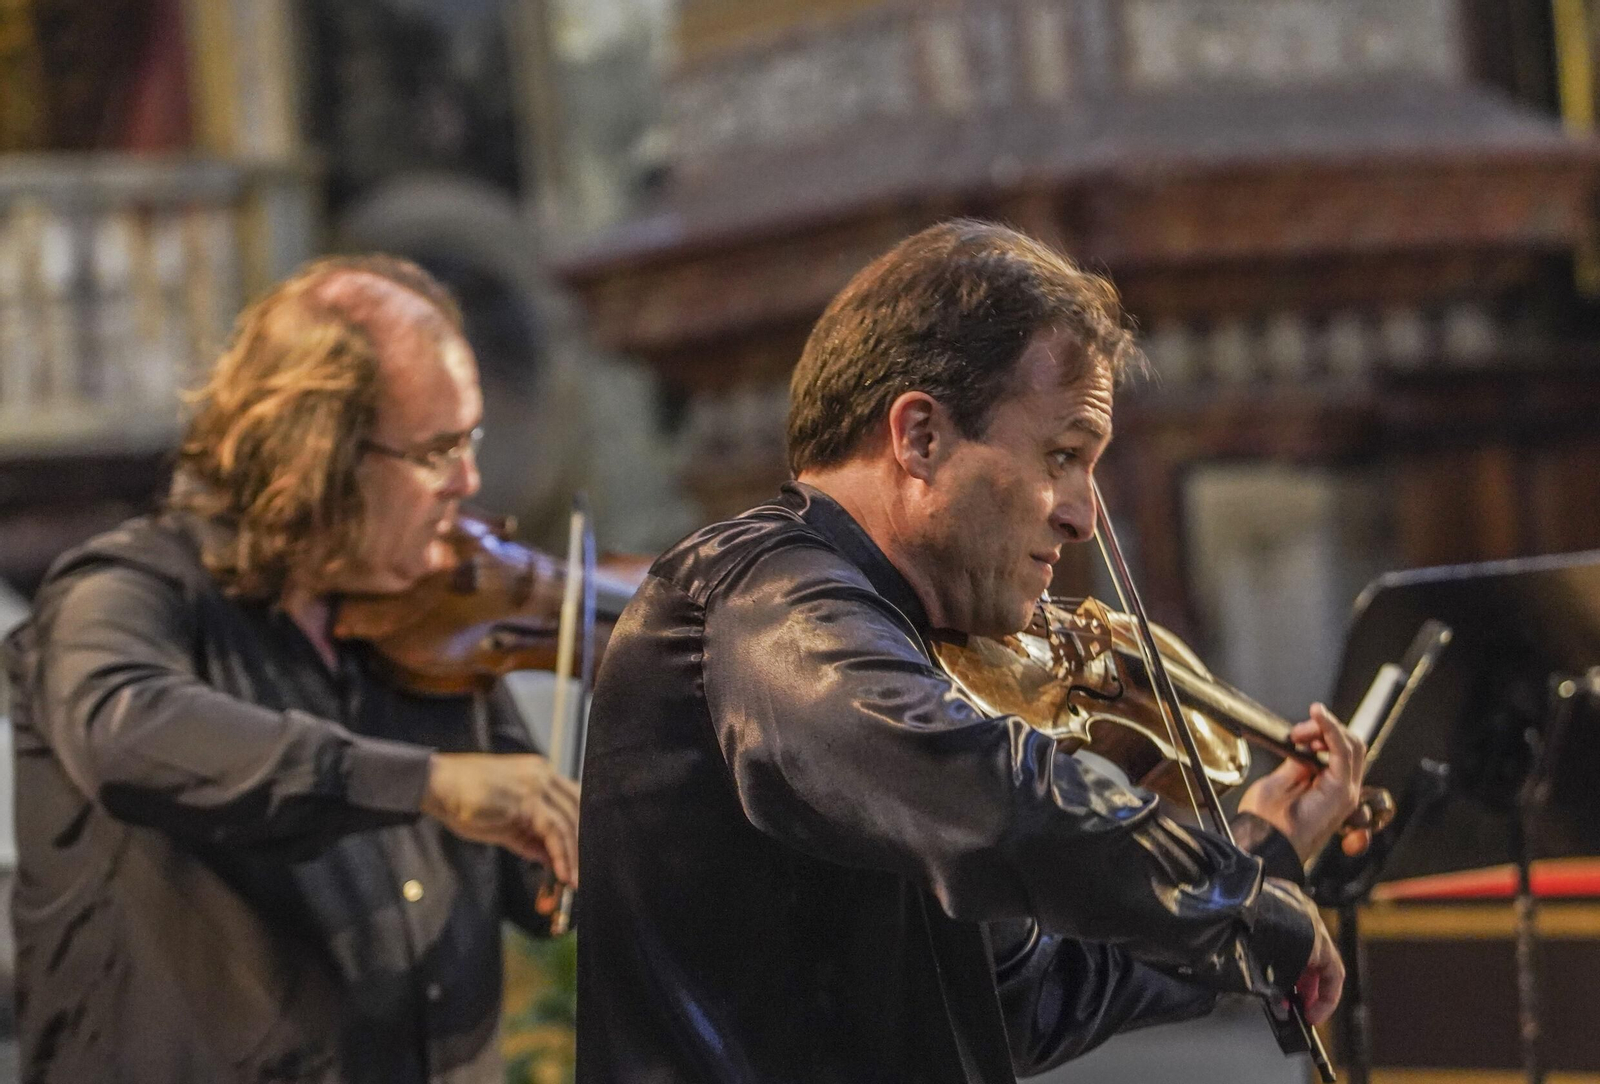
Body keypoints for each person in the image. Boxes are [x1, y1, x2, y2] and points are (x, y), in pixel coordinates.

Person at [576, 220, 1368, 1083]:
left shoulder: (904, 652)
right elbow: (993, 796)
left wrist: (1260, 855)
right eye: (1062, 455)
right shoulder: (759, 596)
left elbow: (1028, 1000)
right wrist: (1235, 900)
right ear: (919, 437)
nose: (1083, 514)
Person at [3, 255, 579, 1084]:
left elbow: (538, 891)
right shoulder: (125, 590)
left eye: (471, 439)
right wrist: (424, 782)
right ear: (318, 455)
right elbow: (125, 727)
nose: (469, 480)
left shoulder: (427, 620)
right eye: (435, 450)